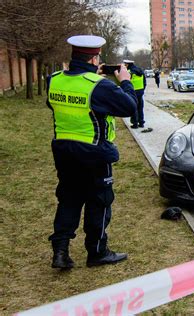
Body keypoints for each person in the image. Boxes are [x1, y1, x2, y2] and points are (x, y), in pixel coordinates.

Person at [46, 35, 137, 269]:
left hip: (64, 150)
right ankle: (97, 252)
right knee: (99, 201)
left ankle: (60, 252)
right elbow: (129, 106)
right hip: (94, 151)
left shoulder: (53, 80)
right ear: (95, 57)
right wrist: (125, 81)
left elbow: (56, 104)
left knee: (68, 198)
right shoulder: (99, 85)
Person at [124, 60, 146, 128]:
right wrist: (142, 90)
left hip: (133, 92)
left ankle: (135, 123)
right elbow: (144, 82)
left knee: (134, 107)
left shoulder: (129, 72)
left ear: (128, 65)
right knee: (140, 107)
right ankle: (141, 122)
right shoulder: (141, 71)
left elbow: (126, 82)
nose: (125, 66)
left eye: (125, 64)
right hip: (140, 91)